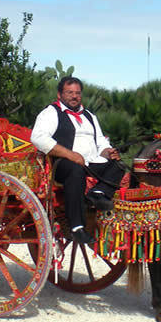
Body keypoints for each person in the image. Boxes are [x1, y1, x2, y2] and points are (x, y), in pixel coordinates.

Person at [31, 76, 124, 245]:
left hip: (90, 162)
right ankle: (77, 228)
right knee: (75, 170)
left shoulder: (89, 115)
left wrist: (108, 152)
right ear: (60, 94)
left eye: (77, 93)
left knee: (118, 166)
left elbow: (101, 141)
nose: (74, 96)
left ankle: (98, 193)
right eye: (69, 93)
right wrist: (69, 154)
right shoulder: (51, 113)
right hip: (62, 164)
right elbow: (38, 138)